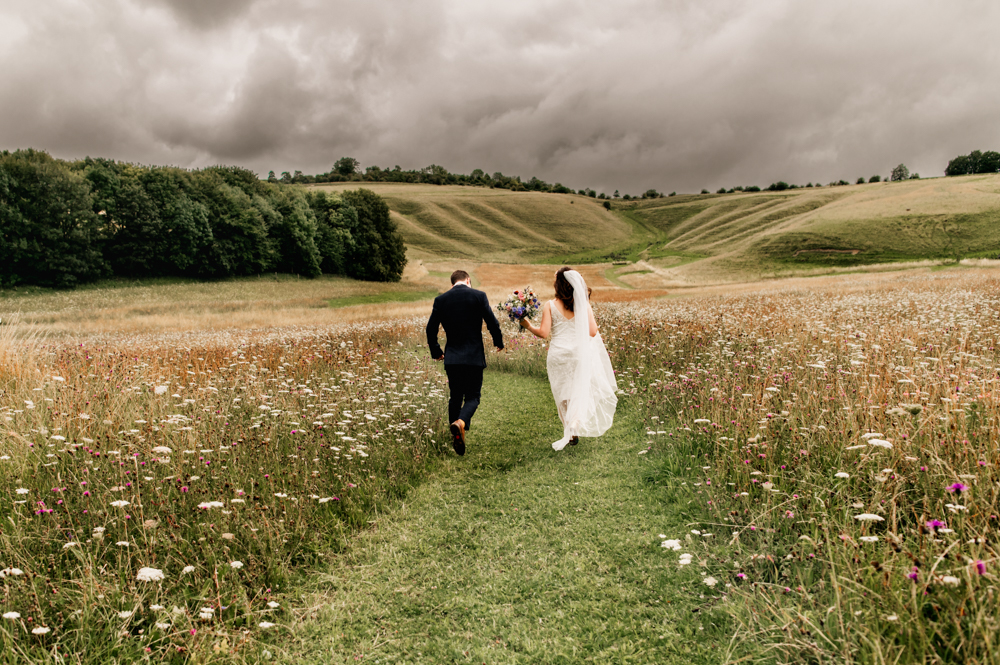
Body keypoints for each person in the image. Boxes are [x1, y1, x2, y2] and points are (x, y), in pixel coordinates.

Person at [519, 267, 618, 450]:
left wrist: (528, 325)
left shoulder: (550, 305)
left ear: (558, 285)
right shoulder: (583, 305)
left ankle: (569, 429)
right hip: (578, 354)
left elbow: (543, 333)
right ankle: (575, 423)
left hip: (558, 355)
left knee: (562, 393)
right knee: (578, 390)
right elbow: (593, 331)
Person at [426, 269, 504, 455]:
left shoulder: (441, 300)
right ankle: (460, 423)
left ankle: (457, 437)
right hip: (473, 357)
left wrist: (436, 351)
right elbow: (492, 322)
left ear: (452, 283)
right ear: (468, 280)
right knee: (473, 397)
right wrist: (498, 342)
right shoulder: (478, 296)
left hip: (452, 358)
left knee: (455, 397)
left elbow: (431, 329)